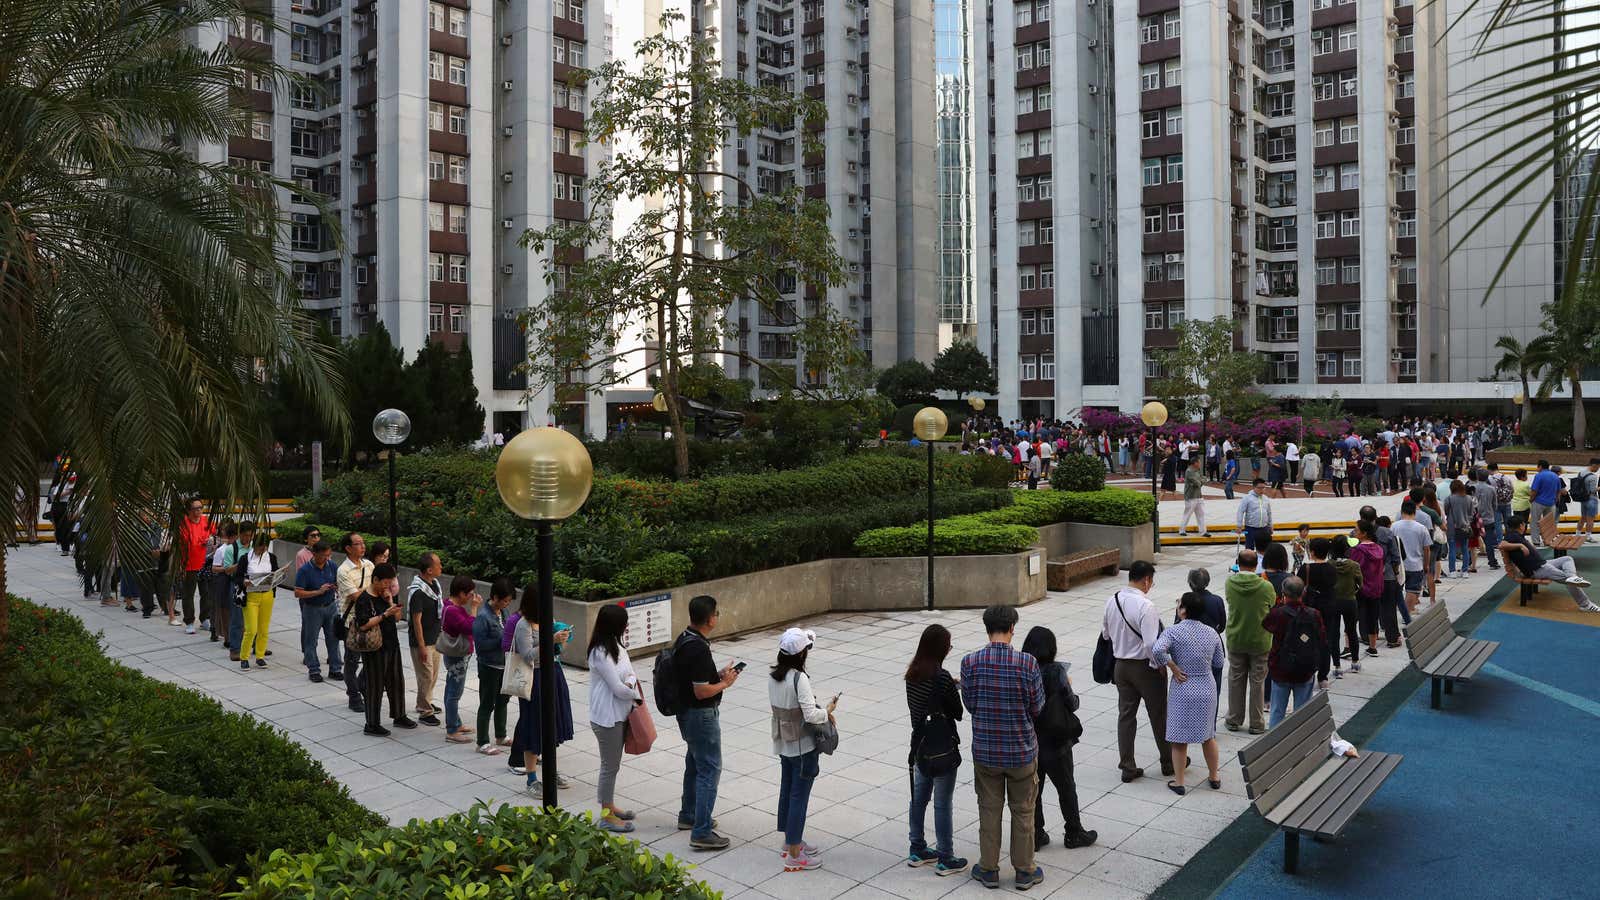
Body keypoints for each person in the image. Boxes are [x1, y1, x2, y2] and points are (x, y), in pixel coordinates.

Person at [960, 605, 1044, 891]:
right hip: (1021, 750)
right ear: (1012, 629)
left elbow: (969, 704)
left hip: (985, 751)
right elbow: (1037, 707)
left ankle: (988, 868)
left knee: (989, 810)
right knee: (1023, 811)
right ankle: (1024, 870)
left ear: (987, 628)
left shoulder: (970, 662)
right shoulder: (1028, 663)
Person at [1019, 627, 1096, 853]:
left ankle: (1036, 834)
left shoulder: (1022, 668)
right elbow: (1072, 703)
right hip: (1056, 739)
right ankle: (1074, 832)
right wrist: (1070, 687)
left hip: (1031, 738)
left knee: (1035, 789)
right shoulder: (1056, 671)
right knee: (1066, 787)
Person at [674, 594, 740, 851]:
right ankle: (701, 832)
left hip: (687, 713)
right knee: (709, 769)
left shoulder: (685, 637)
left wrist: (717, 674)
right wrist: (725, 683)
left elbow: (696, 679)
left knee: (695, 763)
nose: (717, 616)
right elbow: (701, 691)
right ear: (710, 618)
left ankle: (689, 815)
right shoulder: (698, 648)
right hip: (700, 715)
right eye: (717, 613)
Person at [905, 624, 970, 877]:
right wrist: (954, 687)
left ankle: (917, 848)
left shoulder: (912, 673)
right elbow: (958, 713)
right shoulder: (942, 678)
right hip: (942, 747)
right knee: (942, 803)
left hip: (920, 744)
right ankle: (945, 856)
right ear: (941, 649)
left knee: (919, 798)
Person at [768, 627, 834, 871]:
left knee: (787, 791)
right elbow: (811, 715)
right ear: (800, 654)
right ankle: (795, 854)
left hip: (783, 743)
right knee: (799, 797)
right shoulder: (799, 678)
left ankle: (789, 842)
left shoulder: (774, 677)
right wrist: (827, 711)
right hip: (803, 747)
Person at [1101, 562, 1172, 783]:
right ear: (1146, 580)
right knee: (1159, 714)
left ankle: (1127, 766)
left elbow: (1105, 634)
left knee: (1126, 716)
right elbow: (1151, 644)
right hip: (1145, 667)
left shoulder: (1111, 601)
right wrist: (1159, 664)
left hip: (1120, 666)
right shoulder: (1146, 606)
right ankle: (1168, 761)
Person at [1152, 592, 1226, 795]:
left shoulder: (1173, 631)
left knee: (1179, 739)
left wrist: (1173, 667)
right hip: (1206, 686)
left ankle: (1180, 782)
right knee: (1208, 736)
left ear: (1183, 610)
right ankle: (1214, 776)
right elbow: (1219, 662)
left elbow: (1158, 650)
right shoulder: (1212, 633)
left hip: (1183, 687)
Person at [508, 585, 576, 792]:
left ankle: (551, 771)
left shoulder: (549, 620)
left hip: (553, 673)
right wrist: (550, 640)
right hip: (534, 679)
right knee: (534, 726)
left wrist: (561, 641)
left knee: (552, 724)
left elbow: (556, 651)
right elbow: (528, 655)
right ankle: (531, 779)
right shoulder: (523, 625)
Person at [588, 604, 642, 834]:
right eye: (624, 622)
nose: (627, 626)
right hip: (607, 717)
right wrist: (635, 694)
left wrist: (629, 685)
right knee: (609, 767)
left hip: (620, 713)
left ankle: (609, 806)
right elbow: (617, 688)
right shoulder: (599, 652)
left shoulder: (617, 646)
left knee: (613, 765)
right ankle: (606, 816)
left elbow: (630, 674)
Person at [352, 563, 417, 736]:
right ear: (375, 580)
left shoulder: (385, 595)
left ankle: (399, 715)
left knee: (396, 681)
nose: (388, 586)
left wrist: (389, 601)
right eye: (385, 583)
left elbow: (397, 618)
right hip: (375, 649)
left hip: (391, 644)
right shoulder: (364, 599)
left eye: (390, 583)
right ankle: (372, 723)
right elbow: (363, 625)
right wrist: (383, 615)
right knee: (375, 686)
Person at [1263, 577, 1328, 727]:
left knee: (1277, 712)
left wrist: (1279, 603)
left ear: (1284, 593)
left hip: (1281, 668)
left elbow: (1266, 624)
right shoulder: (1314, 614)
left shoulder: (1278, 614)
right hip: (1305, 668)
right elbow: (1322, 639)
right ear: (1303, 592)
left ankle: (1274, 746)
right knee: (1302, 714)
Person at [1499, 516, 1599, 612]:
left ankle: (1572, 576)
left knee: (1567, 559)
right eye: (1525, 524)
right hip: (1537, 569)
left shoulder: (1515, 535)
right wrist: (1521, 545)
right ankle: (1585, 604)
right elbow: (1502, 545)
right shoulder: (1512, 536)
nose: (1525, 526)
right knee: (1570, 581)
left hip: (1543, 564)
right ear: (1521, 525)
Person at [1223, 550, 1273, 734]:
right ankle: (1256, 723)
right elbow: (1272, 605)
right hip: (1260, 640)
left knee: (1236, 679)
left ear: (1238, 563)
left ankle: (1234, 719)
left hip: (1236, 638)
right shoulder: (1266, 587)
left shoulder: (1230, 583)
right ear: (1256, 565)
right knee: (1258, 681)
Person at [473, 578, 516, 755]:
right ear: (495, 597)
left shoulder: (504, 613)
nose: (507, 604)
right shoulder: (483, 616)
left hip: (504, 664)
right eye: (505, 601)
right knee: (487, 703)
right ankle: (482, 741)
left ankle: (501, 735)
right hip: (489, 666)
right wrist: (502, 639)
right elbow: (480, 645)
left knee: (503, 701)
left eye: (509, 601)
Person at [1297, 538, 1348, 685]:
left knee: (1306, 640)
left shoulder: (1305, 568)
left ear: (1312, 552)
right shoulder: (1331, 568)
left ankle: (1307, 672)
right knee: (1326, 641)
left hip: (1309, 609)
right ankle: (1323, 676)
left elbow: (1298, 588)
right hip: (1328, 608)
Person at [293, 540, 342, 684]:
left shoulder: (332, 565)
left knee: (333, 639)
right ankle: (313, 669)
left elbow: (338, 581)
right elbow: (298, 593)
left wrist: (336, 586)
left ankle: (335, 668)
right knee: (311, 640)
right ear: (314, 554)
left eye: (328, 555)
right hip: (312, 608)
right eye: (323, 556)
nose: (326, 558)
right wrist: (318, 591)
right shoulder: (305, 570)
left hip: (330, 606)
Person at [439, 575, 480, 743]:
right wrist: (475, 608)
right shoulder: (454, 611)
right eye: (469, 594)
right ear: (461, 593)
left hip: (456, 655)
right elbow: (470, 627)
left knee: (452, 689)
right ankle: (452, 730)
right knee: (454, 693)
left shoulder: (449, 604)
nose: (471, 598)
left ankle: (456, 722)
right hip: (457, 657)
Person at [336, 533, 374, 713]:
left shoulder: (369, 565)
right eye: (358, 544)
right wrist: (372, 590)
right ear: (348, 548)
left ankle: (362, 686)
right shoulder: (343, 570)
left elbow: (380, 587)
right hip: (351, 622)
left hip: (370, 619)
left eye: (363, 543)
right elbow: (355, 596)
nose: (362, 546)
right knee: (352, 661)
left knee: (371, 660)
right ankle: (353, 696)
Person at [408, 553, 445, 727]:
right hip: (422, 642)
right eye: (439, 565)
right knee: (426, 676)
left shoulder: (435, 585)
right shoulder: (417, 592)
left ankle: (425, 702)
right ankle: (425, 711)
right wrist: (421, 646)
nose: (441, 567)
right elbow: (416, 621)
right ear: (429, 570)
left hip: (435, 638)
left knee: (433, 675)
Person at [238, 532, 277, 671]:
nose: (263, 549)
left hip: (267, 595)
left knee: (264, 628)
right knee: (251, 629)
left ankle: (260, 656)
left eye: (265, 546)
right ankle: (244, 657)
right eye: (261, 546)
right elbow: (237, 577)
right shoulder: (246, 558)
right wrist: (244, 581)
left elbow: (275, 574)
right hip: (251, 596)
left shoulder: (271, 557)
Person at [174, 497, 214, 635]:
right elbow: (181, 544)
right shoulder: (183, 524)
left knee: (206, 593)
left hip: (205, 563)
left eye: (200, 508)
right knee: (188, 595)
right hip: (189, 564)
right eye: (195, 508)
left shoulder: (205, 520)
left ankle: (205, 619)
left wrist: (210, 541)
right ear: (189, 510)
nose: (199, 511)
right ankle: (189, 621)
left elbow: (214, 534)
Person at [1326, 537, 1364, 674]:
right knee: (1352, 631)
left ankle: (1337, 666)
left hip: (1333, 601)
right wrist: (1352, 591)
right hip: (1350, 600)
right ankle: (1355, 662)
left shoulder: (1329, 564)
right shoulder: (1354, 565)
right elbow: (1360, 583)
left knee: (1334, 634)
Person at [1392, 501, 1433, 614]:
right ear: (1414, 512)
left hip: (1399, 565)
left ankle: (1400, 611)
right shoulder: (1421, 528)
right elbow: (1427, 549)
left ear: (1401, 512)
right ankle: (1407, 611)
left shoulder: (1394, 526)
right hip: (1416, 565)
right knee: (1413, 590)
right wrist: (1426, 564)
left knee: (1397, 590)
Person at [1471, 468, 1503, 570]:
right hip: (1488, 517)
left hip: (1474, 518)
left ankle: (1470, 562)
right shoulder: (1491, 489)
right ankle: (1492, 562)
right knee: (1489, 541)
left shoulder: (1472, 488)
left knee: (1471, 542)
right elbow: (1495, 504)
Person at [1442, 480, 1475, 578]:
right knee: (1465, 548)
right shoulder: (1469, 498)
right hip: (1465, 526)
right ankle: (1465, 570)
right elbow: (1471, 513)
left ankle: (1452, 571)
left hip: (1452, 526)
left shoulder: (1449, 499)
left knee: (1452, 549)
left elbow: (1446, 511)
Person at [1237, 479, 1273, 551]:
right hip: (1251, 528)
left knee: (1264, 547)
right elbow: (1240, 511)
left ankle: (1262, 561)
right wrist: (1239, 525)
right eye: (1259, 488)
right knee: (1250, 547)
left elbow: (1269, 513)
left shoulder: (1266, 498)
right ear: (1254, 487)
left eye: (1263, 487)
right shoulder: (1247, 498)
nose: (1262, 490)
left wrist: (1270, 525)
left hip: (1264, 527)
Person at [1530, 459, 1562, 539]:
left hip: (1539, 502)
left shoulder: (1539, 475)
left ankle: (1536, 540)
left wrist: (1531, 499)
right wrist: (1556, 500)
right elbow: (1558, 491)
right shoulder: (1555, 476)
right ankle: (1548, 539)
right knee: (1548, 523)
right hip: (1551, 503)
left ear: (1540, 466)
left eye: (1537, 466)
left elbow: (1534, 490)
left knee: (1535, 522)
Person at [1178, 458, 1207, 537]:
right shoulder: (1189, 471)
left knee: (1201, 514)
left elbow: (1203, 478)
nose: (1200, 463)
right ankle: (1182, 530)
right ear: (1195, 463)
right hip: (1191, 496)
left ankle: (1203, 531)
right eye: (1199, 462)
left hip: (1198, 496)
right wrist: (1201, 481)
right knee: (1187, 514)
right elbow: (1197, 483)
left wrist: (1201, 481)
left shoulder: (1197, 470)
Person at [1576, 459, 1600, 542]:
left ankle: (1577, 534)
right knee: (1590, 519)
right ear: (1595, 465)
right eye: (1598, 467)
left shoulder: (1581, 473)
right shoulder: (1593, 477)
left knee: (1583, 518)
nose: (1598, 469)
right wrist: (1599, 488)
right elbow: (1593, 490)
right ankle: (1588, 536)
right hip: (1591, 499)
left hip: (1583, 499)